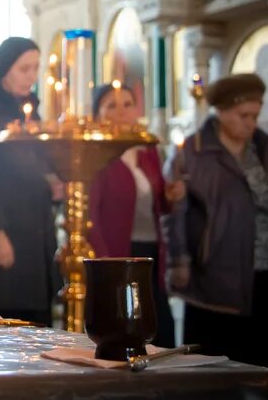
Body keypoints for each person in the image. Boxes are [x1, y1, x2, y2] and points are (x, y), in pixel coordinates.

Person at [166, 73, 268, 367]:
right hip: (213, 275)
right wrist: (180, 262)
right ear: (222, 111)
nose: (251, 123)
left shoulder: (266, 149)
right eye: (243, 115)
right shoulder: (194, 152)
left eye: (255, 115)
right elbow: (175, 214)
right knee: (215, 367)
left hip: (264, 274)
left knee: (262, 367)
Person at [0, 37, 63, 326]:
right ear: (4, 69)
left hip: (33, 235)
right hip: (0, 235)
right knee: (4, 325)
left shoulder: (29, 113)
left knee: (36, 329)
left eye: (35, 69)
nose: (32, 76)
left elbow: (39, 164)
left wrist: (52, 184)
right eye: (24, 69)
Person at [89, 83, 181, 347]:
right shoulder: (96, 154)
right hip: (117, 253)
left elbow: (159, 203)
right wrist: (104, 261)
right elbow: (90, 213)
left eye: (127, 105)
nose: (121, 112)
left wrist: (171, 197)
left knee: (159, 325)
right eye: (111, 106)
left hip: (150, 250)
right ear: (98, 113)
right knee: (126, 327)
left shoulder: (147, 150)